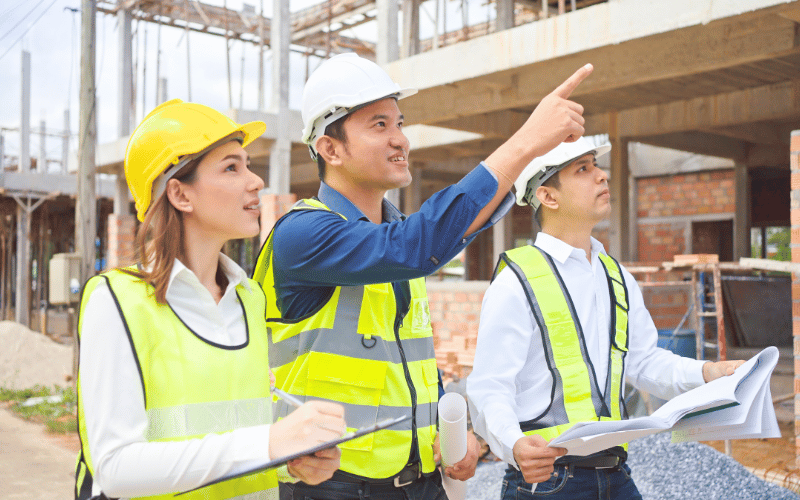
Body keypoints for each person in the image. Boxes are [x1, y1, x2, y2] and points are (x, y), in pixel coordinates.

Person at [252, 53, 594, 500]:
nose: (400, 140)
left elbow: (406, 360)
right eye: (379, 125)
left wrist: (448, 430)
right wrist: (527, 142)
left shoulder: (398, 236)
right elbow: (421, 244)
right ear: (330, 149)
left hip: (419, 483)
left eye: (399, 123)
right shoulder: (303, 234)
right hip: (329, 486)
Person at [74, 99, 346, 500]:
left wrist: (289, 461)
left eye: (248, 165)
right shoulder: (117, 301)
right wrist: (267, 445)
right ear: (180, 194)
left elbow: (240, 433)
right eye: (231, 168)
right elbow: (115, 468)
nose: (256, 182)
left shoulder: (249, 298)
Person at [466, 137, 745, 499]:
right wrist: (513, 444)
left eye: (597, 166)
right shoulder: (517, 281)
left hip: (615, 475)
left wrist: (708, 373)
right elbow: (490, 386)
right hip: (547, 481)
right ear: (548, 196)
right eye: (583, 169)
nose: (602, 176)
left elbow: (642, 361)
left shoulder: (616, 276)